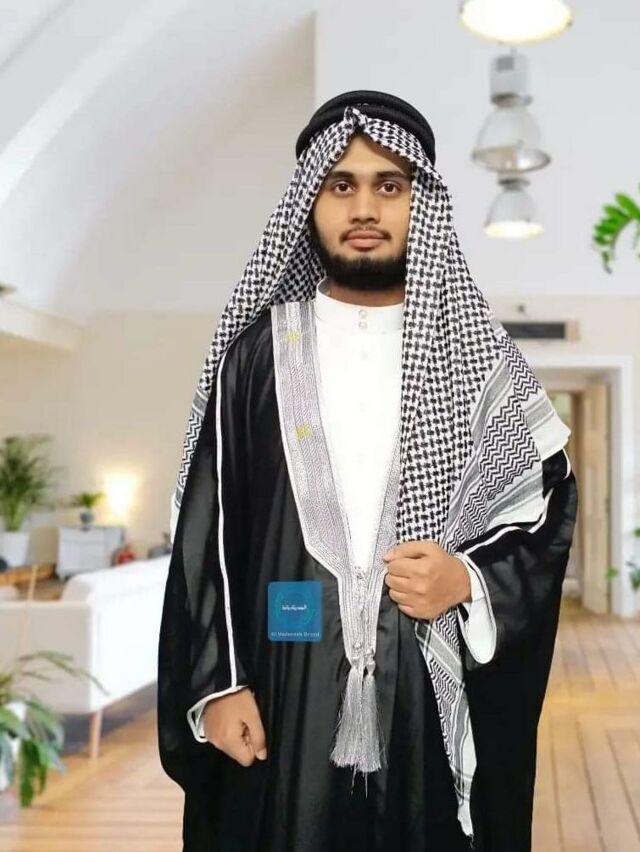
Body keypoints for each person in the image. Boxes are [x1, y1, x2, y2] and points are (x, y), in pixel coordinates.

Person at [157, 90, 578, 852]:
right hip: (278, 686)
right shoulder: (256, 357)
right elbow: (207, 534)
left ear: (420, 201)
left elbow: (543, 511)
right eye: (340, 184)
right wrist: (219, 684)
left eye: (389, 185)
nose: (364, 207)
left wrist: (466, 579)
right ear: (309, 201)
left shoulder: (475, 358)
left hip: (423, 685)